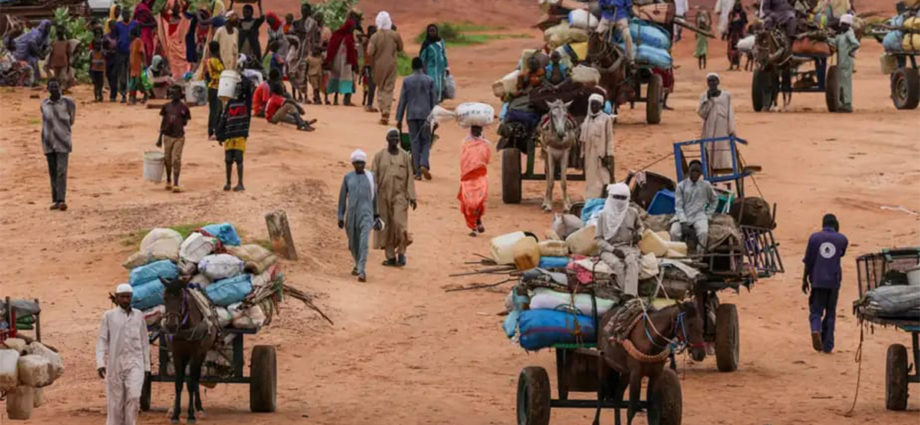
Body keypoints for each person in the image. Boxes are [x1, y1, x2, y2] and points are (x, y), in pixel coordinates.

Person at [96, 283, 151, 425]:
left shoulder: (139, 316)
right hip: (115, 365)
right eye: (123, 297)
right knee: (115, 403)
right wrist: (100, 363)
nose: (126, 300)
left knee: (134, 397)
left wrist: (147, 367)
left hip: (136, 363)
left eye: (128, 297)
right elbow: (102, 340)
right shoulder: (108, 316)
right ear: (117, 298)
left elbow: (145, 342)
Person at [802, 213, 848, 353]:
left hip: (817, 280)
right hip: (833, 281)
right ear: (836, 225)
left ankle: (816, 329)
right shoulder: (842, 239)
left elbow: (808, 261)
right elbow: (840, 254)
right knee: (830, 313)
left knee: (816, 311)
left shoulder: (814, 238)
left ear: (823, 224)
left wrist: (804, 279)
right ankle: (828, 345)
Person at [371, 128, 417, 266]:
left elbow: (410, 177)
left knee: (400, 225)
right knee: (387, 227)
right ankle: (390, 257)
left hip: (400, 195)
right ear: (387, 139)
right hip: (383, 195)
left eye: (397, 138)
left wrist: (412, 196)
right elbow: (373, 176)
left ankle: (402, 252)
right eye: (392, 138)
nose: (395, 140)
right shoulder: (379, 156)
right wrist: (372, 196)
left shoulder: (404, 156)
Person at [338, 149, 382, 282]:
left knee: (364, 242)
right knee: (353, 243)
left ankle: (362, 270)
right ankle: (357, 264)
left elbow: (375, 198)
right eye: (357, 163)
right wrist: (340, 215)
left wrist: (376, 214)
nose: (360, 166)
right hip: (351, 215)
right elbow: (342, 198)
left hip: (366, 215)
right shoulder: (348, 177)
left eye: (362, 163)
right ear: (353, 164)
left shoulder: (370, 177)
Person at [596, 183, 643, 296]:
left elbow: (640, 227)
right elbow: (598, 239)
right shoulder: (603, 215)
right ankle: (625, 294)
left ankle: (630, 296)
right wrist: (613, 250)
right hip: (609, 249)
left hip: (628, 247)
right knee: (618, 265)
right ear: (611, 197)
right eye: (617, 197)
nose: (620, 201)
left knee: (632, 263)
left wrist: (639, 235)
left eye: (623, 198)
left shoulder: (632, 213)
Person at [396, 57, 437, 181]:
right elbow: (433, 101)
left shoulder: (407, 81)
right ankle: (424, 164)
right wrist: (435, 119)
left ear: (412, 67)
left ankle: (417, 173)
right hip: (426, 116)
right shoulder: (429, 80)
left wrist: (399, 118)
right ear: (422, 67)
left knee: (414, 142)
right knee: (426, 141)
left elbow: (403, 100)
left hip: (412, 115)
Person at [669, 160, 717, 254]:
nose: (695, 174)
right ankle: (677, 256)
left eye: (697, 171)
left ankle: (699, 257)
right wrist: (683, 222)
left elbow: (714, 200)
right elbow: (678, 206)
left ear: (700, 173)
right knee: (674, 232)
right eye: (693, 171)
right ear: (689, 172)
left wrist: (708, 214)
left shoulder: (706, 185)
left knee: (703, 233)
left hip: (699, 216)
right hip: (683, 215)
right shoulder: (681, 186)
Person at [40, 79, 75, 211]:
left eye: (56, 87)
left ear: (60, 87)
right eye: (51, 87)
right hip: (48, 141)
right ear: (48, 89)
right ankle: (55, 199)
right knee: (53, 171)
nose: (54, 89)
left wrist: (62, 131)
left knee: (61, 170)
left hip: (63, 141)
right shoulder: (44, 104)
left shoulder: (68, 103)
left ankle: (61, 199)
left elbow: (72, 120)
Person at [216, 77, 253, 191]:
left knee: (238, 158)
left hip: (240, 134)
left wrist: (241, 76)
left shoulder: (246, 103)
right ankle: (228, 182)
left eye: (239, 89)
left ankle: (240, 183)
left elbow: (249, 87)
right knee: (228, 159)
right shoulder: (230, 103)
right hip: (229, 134)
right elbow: (224, 118)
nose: (237, 91)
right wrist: (219, 134)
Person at [367, 11, 404, 125]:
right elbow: (400, 48)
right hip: (391, 65)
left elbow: (369, 52)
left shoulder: (375, 36)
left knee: (381, 88)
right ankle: (386, 111)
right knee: (388, 89)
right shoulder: (395, 35)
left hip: (378, 66)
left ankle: (383, 110)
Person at [698, 73, 736, 173]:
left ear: (718, 82)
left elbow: (730, 113)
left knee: (723, 151)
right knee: (709, 150)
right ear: (707, 83)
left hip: (723, 127)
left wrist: (731, 130)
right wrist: (708, 99)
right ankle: (711, 175)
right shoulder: (704, 96)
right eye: (710, 81)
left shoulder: (726, 95)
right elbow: (702, 114)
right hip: (709, 127)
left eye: (714, 80)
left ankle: (726, 176)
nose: (712, 83)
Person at [156, 85, 191, 193]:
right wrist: (159, 138)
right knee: (167, 159)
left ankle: (176, 183)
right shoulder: (166, 107)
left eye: (175, 93)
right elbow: (163, 123)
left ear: (180, 94)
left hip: (178, 137)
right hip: (167, 136)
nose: (173, 95)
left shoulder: (184, 108)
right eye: (171, 93)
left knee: (176, 159)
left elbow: (185, 121)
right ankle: (168, 179)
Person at [458, 125, 491, 237]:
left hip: (479, 177)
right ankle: (474, 226)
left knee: (478, 203)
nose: (476, 132)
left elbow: (486, 160)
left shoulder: (483, 145)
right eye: (475, 130)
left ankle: (477, 222)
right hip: (468, 178)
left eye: (478, 130)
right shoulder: (467, 145)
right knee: (469, 204)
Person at [580, 94, 614, 199]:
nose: (594, 107)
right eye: (593, 104)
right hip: (589, 155)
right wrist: (582, 155)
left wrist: (609, 154)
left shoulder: (606, 119)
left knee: (603, 177)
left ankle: (603, 198)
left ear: (601, 105)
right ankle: (591, 199)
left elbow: (609, 138)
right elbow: (583, 140)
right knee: (590, 178)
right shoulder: (587, 119)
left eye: (597, 104)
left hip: (601, 154)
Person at [325, 13, 360, 106]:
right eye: (352, 27)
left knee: (337, 77)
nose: (353, 29)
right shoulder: (348, 37)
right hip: (345, 62)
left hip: (338, 61)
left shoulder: (337, 34)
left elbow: (331, 48)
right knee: (348, 79)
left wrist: (329, 60)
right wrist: (355, 64)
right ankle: (346, 100)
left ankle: (337, 99)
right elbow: (351, 52)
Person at [829, 14, 859, 113]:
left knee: (846, 83)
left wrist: (850, 52)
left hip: (847, 61)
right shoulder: (841, 34)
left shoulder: (849, 33)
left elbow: (856, 44)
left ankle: (848, 104)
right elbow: (834, 42)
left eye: (844, 24)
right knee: (841, 83)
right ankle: (842, 103)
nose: (842, 25)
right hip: (841, 62)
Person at [12, 19, 52, 84]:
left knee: (33, 61)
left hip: (30, 51)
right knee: (31, 61)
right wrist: (39, 54)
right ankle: (30, 81)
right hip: (23, 48)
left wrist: (44, 52)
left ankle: (35, 80)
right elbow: (31, 42)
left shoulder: (46, 35)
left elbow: (46, 45)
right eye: (46, 26)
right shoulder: (36, 32)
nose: (48, 28)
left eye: (49, 26)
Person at [159, 0, 191, 80]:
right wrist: (168, 3)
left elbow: (187, 4)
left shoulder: (183, 18)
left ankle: (183, 80)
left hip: (181, 46)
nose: (176, 7)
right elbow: (161, 11)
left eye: (178, 6)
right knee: (173, 67)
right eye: (175, 6)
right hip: (172, 48)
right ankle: (176, 81)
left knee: (184, 65)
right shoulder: (168, 17)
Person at [419, 24, 449, 103]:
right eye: (430, 31)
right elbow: (422, 57)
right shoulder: (426, 44)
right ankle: (432, 103)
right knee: (433, 86)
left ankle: (438, 102)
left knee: (441, 87)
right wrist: (421, 69)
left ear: (436, 31)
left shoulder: (441, 42)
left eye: (433, 31)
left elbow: (444, 54)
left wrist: (446, 67)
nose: (432, 33)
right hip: (431, 69)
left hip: (441, 69)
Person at [113, 9, 136, 102]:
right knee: (122, 75)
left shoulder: (134, 24)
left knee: (132, 74)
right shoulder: (117, 25)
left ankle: (131, 94)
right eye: (124, 14)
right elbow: (115, 37)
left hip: (132, 52)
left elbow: (138, 36)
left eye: (127, 14)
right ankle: (123, 94)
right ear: (122, 15)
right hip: (121, 52)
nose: (126, 15)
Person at [206, 41, 224, 139]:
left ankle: (214, 131)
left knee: (215, 110)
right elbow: (221, 69)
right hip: (215, 87)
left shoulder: (209, 60)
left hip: (214, 87)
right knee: (216, 110)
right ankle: (213, 131)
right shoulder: (214, 61)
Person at [133, 0, 158, 66]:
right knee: (147, 51)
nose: (153, 4)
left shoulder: (138, 7)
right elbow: (154, 23)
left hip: (139, 34)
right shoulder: (145, 9)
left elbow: (134, 20)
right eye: (152, 3)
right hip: (145, 34)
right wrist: (148, 25)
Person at [128, 26, 147, 105]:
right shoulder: (132, 43)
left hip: (138, 66)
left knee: (138, 82)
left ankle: (146, 94)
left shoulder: (138, 41)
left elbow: (142, 53)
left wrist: (144, 63)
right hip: (133, 67)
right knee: (132, 84)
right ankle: (132, 98)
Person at [727, 2, 748, 70]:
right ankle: (732, 65)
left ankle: (736, 65)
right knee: (733, 50)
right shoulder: (732, 14)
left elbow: (744, 23)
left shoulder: (742, 14)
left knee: (738, 49)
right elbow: (729, 24)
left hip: (739, 33)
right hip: (734, 33)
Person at [103, 21, 120, 102]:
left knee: (114, 76)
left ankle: (113, 95)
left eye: (114, 26)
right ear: (109, 27)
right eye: (112, 26)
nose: (113, 27)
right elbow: (102, 48)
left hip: (116, 58)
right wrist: (106, 51)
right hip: (108, 58)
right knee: (109, 76)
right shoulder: (106, 37)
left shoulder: (118, 37)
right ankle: (113, 92)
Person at [89, 37, 107, 101]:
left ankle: (100, 95)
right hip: (94, 70)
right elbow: (90, 62)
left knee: (100, 84)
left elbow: (105, 61)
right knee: (95, 84)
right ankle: (96, 97)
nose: (97, 46)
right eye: (96, 44)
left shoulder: (103, 53)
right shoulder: (92, 53)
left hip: (101, 70)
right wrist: (90, 71)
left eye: (99, 44)